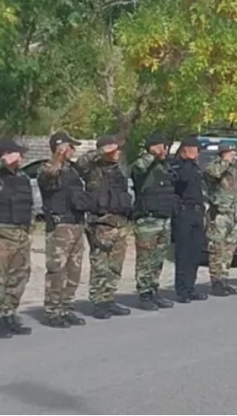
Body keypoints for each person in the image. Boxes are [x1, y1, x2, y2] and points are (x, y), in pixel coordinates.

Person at [76, 135, 133, 320]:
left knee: (115, 266)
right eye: (114, 150)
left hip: (120, 223)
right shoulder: (93, 170)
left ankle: (108, 299)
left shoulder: (118, 170)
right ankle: (98, 301)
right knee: (100, 265)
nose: (117, 153)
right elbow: (80, 163)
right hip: (101, 224)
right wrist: (102, 151)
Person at [38, 131, 88, 328]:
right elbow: (49, 176)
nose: (73, 150)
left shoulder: (72, 170)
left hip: (76, 224)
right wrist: (57, 156)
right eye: (70, 146)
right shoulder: (48, 168)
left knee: (74, 271)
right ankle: (53, 311)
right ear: (60, 148)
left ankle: (66, 307)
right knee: (57, 271)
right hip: (60, 227)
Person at [130, 133, 176, 311]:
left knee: (157, 259)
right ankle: (144, 294)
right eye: (163, 147)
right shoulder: (143, 165)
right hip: (147, 221)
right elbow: (138, 168)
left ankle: (154, 289)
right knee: (145, 260)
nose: (166, 151)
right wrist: (152, 153)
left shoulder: (163, 167)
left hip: (163, 220)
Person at [0, 137, 33, 338]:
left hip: (21, 232)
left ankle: (9, 314)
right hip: (3, 233)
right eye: (17, 153)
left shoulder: (22, 177)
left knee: (19, 277)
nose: (21, 157)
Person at [170, 136, 208, 303]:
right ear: (185, 150)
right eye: (195, 150)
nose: (197, 154)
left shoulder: (195, 167)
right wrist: (186, 160)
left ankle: (191, 287)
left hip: (198, 212)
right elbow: (182, 181)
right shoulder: (176, 165)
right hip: (184, 213)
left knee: (195, 253)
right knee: (184, 253)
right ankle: (182, 289)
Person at [204, 142, 237, 297]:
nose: (236, 157)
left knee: (229, 249)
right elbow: (215, 174)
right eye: (233, 154)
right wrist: (225, 161)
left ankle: (224, 279)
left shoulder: (233, 171)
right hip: (218, 215)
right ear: (225, 153)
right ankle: (216, 281)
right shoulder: (213, 167)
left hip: (232, 214)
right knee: (217, 249)